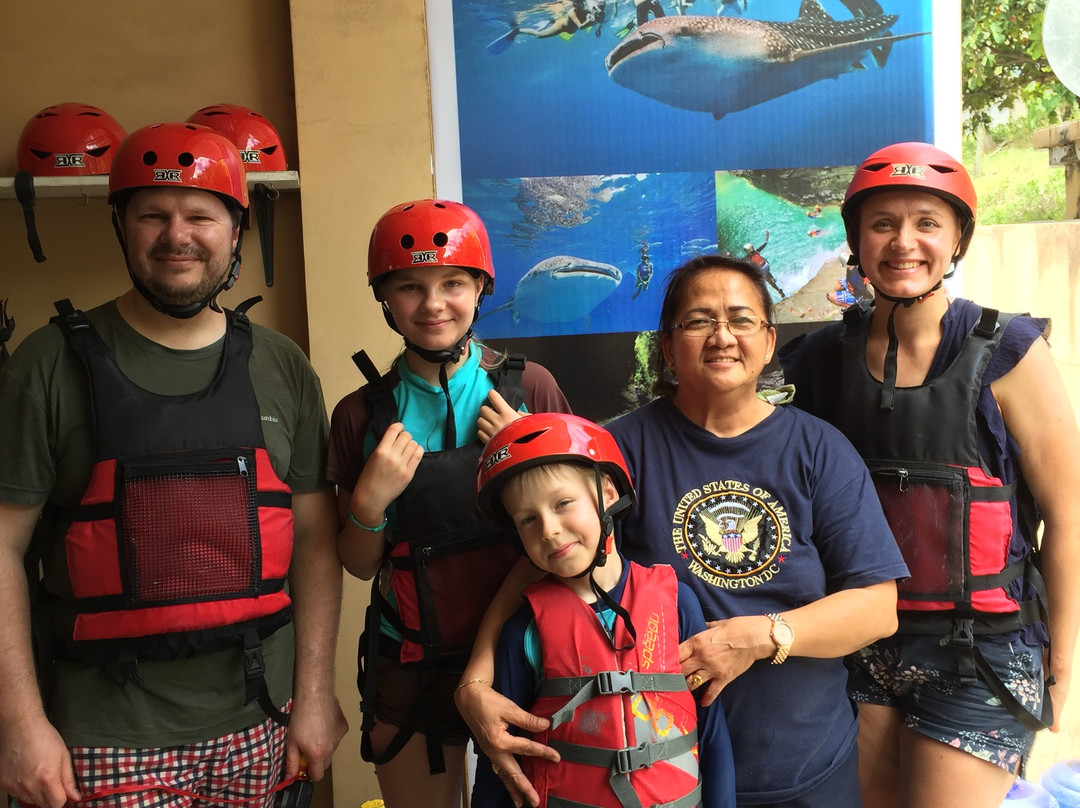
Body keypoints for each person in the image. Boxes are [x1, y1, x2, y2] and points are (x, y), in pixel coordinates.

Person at [457, 254, 907, 808]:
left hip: (806, 769)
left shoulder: (820, 450)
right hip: (654, 778)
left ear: (769, 342)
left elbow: (877, 606)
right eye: (698, 321)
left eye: (742, 319)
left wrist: (761, 636)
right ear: (667, 347)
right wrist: (475, 684)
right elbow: (542, 558)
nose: (722, 336)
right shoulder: (615, 450)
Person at [0, 122, 347, 808]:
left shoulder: (283, 367)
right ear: (121, 226)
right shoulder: (47, 363)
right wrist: (19, 724)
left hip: (262, 720)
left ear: (236, 229)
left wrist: (313, 694)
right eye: (152, 215)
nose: (176, 236)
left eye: (200, 215)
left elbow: (314, 538)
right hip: (103, 734)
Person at [778, 142, 1080, 808]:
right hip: (860, 640)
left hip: (984, 651)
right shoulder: (821, 359)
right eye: (883, 223)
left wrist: (1062, 659)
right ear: (857, 238)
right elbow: (733, 422)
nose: (903, 242)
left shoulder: (1011, 353)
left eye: (926, 223)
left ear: (957, 239)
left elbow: (1067, 515)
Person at [327, 199, 570, 808]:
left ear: (481, 288)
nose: (433, 305)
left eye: (452, 283)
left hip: (529, 648)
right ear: (385, 297)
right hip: (409, 663)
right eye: (411, 286)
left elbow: (579, 537)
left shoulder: (531, 387)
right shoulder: (360, 414)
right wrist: (370, 499)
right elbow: (358, 563)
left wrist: (527, 457)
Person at [472, 413, 737, 808]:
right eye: (528, 519)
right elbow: (500, 757)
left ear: (608, 494)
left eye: (563, 503)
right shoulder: (523, 630)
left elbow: (711, 732)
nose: (548, 529)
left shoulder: (677, 603)